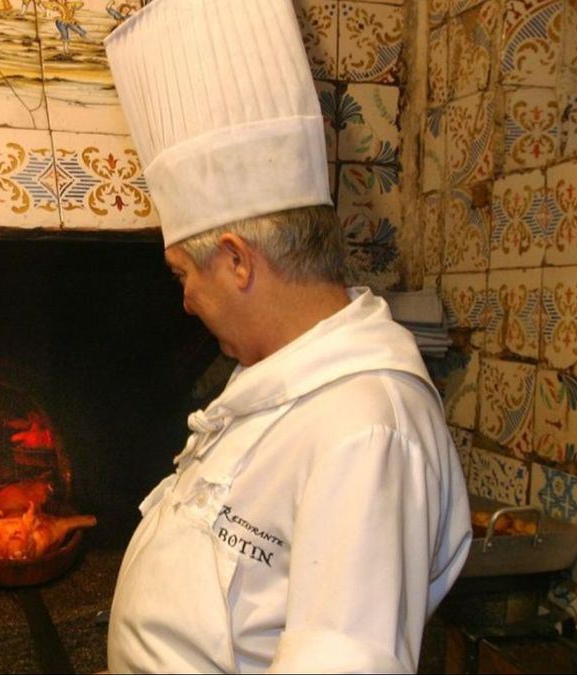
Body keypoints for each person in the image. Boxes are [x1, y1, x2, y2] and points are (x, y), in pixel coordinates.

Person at [102, 0, 472, 672]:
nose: (184, 300)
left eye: (184, 273)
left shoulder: (368, 430)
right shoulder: (277, 382)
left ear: (239, 260)